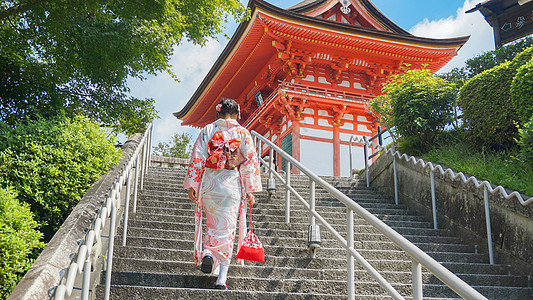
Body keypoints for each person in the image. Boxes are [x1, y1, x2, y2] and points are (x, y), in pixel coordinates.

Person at [182, 98, 262, 290]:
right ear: (237, 114)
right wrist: (250, 189)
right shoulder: (243, 133)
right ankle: (221, 280)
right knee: (227, 230)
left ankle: (208, 253)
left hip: (209, 183)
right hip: (231, 184)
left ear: (218, 113)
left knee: (212, 225)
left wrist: (194, 185)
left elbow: (198, 157)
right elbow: (249, 164)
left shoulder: (208, 130)